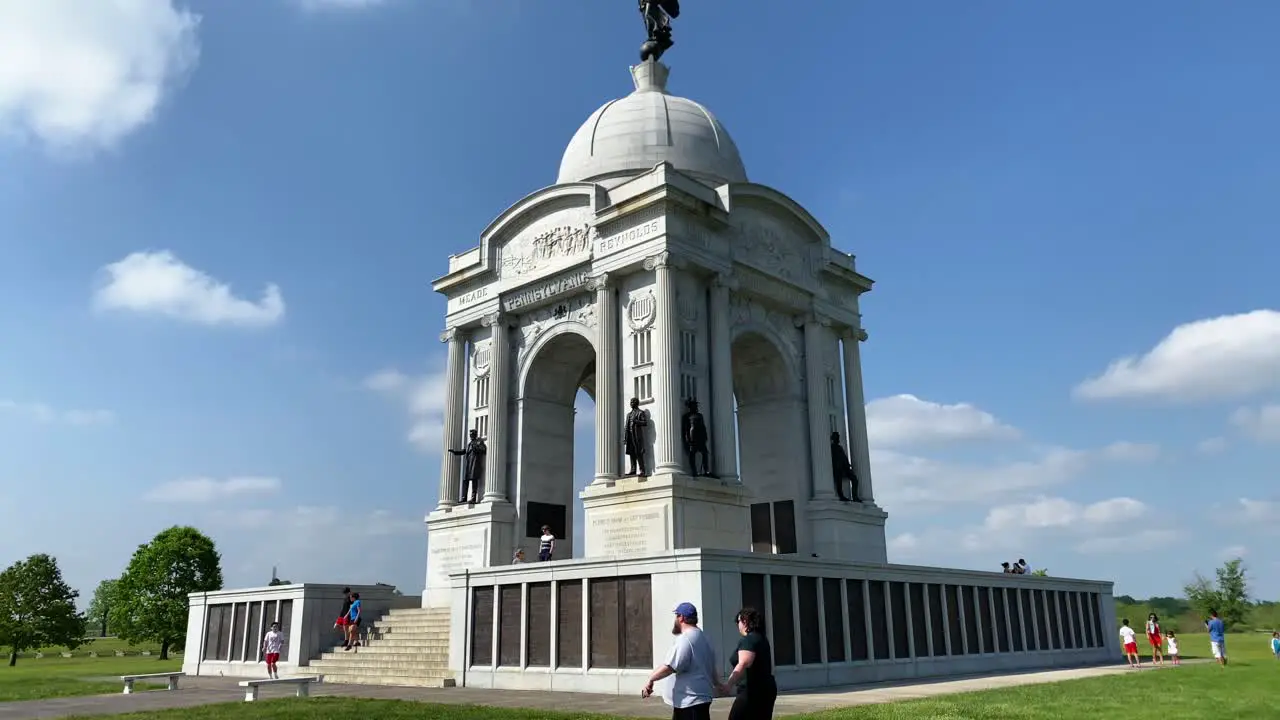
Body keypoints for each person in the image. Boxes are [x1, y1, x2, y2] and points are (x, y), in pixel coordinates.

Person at [642, 602, 718, 720]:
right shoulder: (705, 638)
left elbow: (670, 667)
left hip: (690, 702)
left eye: (676, 616)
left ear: (681, 617)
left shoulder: (686, 639)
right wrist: (718, 684)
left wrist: (651, 679)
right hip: (701, 699)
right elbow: (711, 667)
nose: (675, 619)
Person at [719, 607, 775, 720]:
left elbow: (743, 663)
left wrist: (728, 685)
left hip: (751, 691)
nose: (737, 624)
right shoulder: (762, 639)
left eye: (738, 621)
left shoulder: (748, 640)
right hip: (765, 689)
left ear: (744, 621)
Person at [448, 429, 487, 503]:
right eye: (470, 435)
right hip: (469, 464)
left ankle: (473, 498)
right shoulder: (470, 444)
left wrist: (476, 447)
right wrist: (455, 452)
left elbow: (483, 450)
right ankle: (464, 497)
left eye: (472, 434)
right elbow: (464, 451)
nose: (470, 436)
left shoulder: (478, 442)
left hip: (475, 464)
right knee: (465, 480)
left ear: (475, 435)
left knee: (474, 480)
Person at [829, 432, 858, 502]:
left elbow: (844, 457)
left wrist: (848, 465)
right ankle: (841, 496)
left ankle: (855, 496)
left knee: (855, 479)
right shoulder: (832, 448)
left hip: (845, 468)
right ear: (834, 438)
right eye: (837, 437)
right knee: (839, 480)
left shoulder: (839, 447)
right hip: (838, 468)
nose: (838, 438)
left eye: (838, 437)